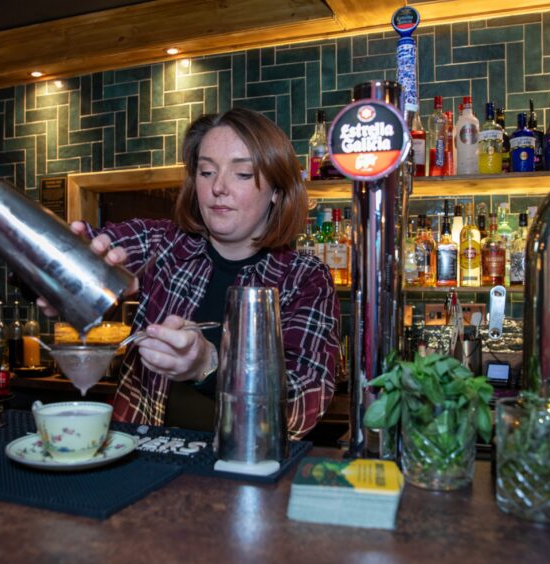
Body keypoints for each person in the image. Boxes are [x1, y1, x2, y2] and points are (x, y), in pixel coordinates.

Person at [40, 107, 340, 439]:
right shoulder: (163, 245)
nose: (218, 188)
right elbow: (85, 249)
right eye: (207, 171)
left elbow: (301, 406)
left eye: (242, 174)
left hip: (245, 471)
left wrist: (207, 365)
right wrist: (58, 269)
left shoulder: (305, 279)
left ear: (277, 192)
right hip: (141, 462)